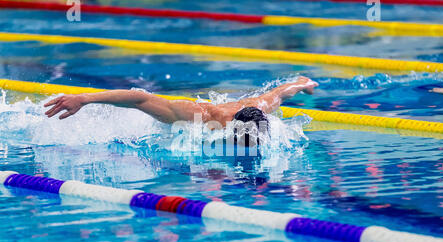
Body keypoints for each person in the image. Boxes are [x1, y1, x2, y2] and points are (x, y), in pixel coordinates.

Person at [44, 76, 318, 146]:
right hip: (159, 128)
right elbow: (140, 99)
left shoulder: (261, 108)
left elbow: (282, 91)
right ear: (232, 129)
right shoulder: (199, 116)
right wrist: (84, 98)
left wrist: (305, 84)